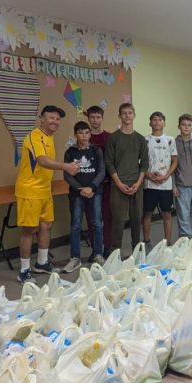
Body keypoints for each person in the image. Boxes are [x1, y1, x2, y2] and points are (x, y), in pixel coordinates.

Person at [15, 105, 79, 284]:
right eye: (51, 118)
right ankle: (24, 270)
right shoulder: (34, 136)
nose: (55, 122)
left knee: (46, 226)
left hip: (44, 191)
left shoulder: (50, 138)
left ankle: (42, 263)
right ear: (42, 118)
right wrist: (66, 166)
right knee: (29, 230)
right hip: (29, 191)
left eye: (58, 119)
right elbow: (41, 161)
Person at [105, 103, 149, 257]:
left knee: (136, 221)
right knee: (117, 222)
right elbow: (109, 163)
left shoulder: (140, 139)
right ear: (120, 116)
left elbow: (144, 163)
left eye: (130, 113)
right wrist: (118, 183)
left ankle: (136, 252)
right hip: (118, 186)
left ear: (134, 115)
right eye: (124, 113)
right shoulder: (113, 138)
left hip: (136, 185)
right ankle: (115, 254)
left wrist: (138, 183)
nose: (127, 116)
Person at [62, 121, 106, 273]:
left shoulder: (96, 151)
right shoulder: (70, 152)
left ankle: (97, 254)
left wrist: (91, 187)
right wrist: (80, 188)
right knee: (75, 225)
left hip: (95, 192)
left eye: (87, 132)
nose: (84, 136)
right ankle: (75, 258)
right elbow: (67, 175)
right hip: (77, 194)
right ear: (76, 135)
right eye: (81, 133)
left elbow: (101, 171)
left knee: (97, 224)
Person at [143, 112, 178, 245]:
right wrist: (148, 174)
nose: (157, 122)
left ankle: (167, 242)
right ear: (150, 123)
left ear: (164, 123)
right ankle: (146, 241)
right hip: (149, 184)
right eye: (154, 120)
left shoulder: (170, 139)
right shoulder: (144, 140)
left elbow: (175, 160)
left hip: (166, 184)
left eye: (160, 120)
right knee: (147, 214)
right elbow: (140, 161)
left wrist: (167, 175)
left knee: (167, 215)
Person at [85, 105, 112, 251]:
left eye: (98, 117)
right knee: (92, 218)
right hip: (90, 185)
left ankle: (108, 247)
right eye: (92, 117)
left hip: (107, 184)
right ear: (88, 118)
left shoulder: (109, 137)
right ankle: (96, 250)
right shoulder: (83, 137)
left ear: (102, 118)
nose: (95, 120)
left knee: (107, 216)